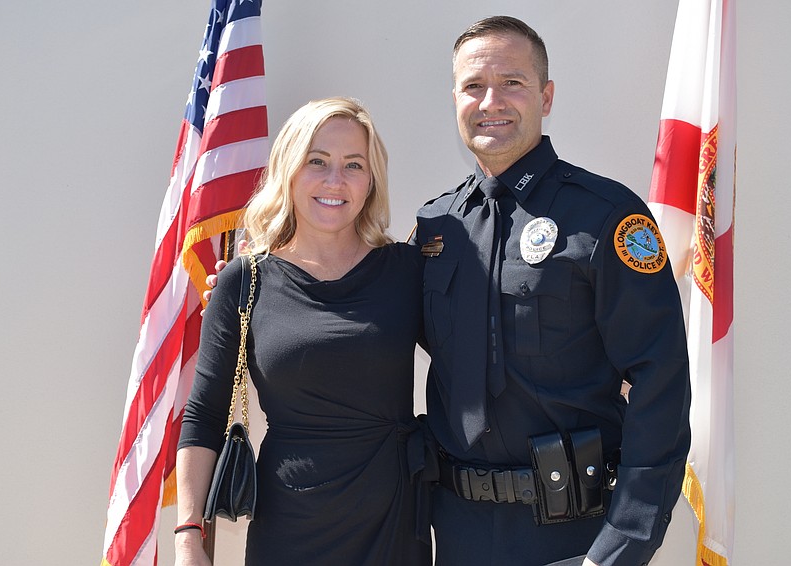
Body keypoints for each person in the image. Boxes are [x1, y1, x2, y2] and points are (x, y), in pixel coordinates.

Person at [413, 16, 691, 566]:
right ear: (455, 99)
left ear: (546, 96)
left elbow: (661, 381)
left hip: (574, 537)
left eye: (512, 83)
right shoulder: (435, 227)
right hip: (457, 532)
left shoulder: (606, 216)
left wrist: (620, 546)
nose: (491, 101)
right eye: (473, 86)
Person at [174, 97, 431, 566]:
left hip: (391, 525)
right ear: (288, 170)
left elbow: (473, 356)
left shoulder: (406, 270)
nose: (335, 180)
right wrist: (188, 539)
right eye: (317, 161)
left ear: (371, 180)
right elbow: (204, 415)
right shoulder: (244, 281)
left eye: (354, 164)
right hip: (288, 530)